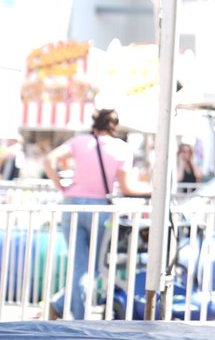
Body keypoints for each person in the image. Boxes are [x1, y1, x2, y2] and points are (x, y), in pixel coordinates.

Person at [42, 108, 149, 319]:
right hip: (99, 208)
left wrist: (62, 186)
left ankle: (59, 306)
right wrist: (152, 191)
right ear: (115, 126)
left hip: (71, 205)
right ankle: (76, 317)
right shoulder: (122, 149)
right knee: (93, 265)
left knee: (80, 264)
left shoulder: (80, 142)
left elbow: (48, 161)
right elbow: (127, 188)